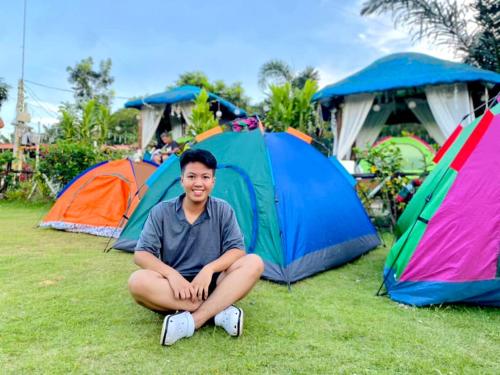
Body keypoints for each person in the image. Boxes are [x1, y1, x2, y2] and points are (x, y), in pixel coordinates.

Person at [128, 149, 264, 346]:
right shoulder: (161, 212)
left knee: (254, 262)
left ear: (213, 182)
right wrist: (172, 275)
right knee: (137, 281)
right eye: (191, 176)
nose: (198, 183)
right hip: (177, 291)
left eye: (205, 177)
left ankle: (193, 320)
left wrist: (209, 269)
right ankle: (219, 309)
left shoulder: (223, 209)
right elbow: (141, 254)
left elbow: (237, 250)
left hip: (217, 284)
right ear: (182, 180)